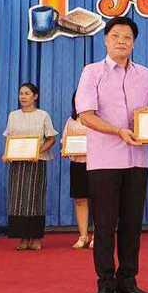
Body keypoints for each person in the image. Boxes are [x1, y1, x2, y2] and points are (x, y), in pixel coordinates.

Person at [76, 15, 148, 293]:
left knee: (132, 224)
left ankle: (128, 279)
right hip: (104, 160)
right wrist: (118, 131)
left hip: (137, 160)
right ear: (105, 40)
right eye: (116, 36)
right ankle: (105, 282)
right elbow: (86, 115)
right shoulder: (91, 72)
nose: (121, 41)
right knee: (104, 225)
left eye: (127, 37)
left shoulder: (146, 75)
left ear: (134, 43)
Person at [2, 82, 57, 250]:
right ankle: (23, 238)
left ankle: (36, 238)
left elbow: (51, 139)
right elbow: (9, 138)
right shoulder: (13, 115)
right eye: (21, 93)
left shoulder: (43, 115)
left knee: (34, 198)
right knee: (18, 199)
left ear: (35, 96)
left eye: (27, 93)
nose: (23, 97)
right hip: (17, 163)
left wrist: (38, 151)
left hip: (36, 162)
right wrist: (6, 153)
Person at [62, 90, 92, 249]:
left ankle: (98, 236)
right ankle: (83, 236)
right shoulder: (71, 120)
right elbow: (64, 141)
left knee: (100, 201)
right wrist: (65, 150)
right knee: (80, 200)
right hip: (78, 165)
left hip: (97, 164)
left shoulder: (98, 118)